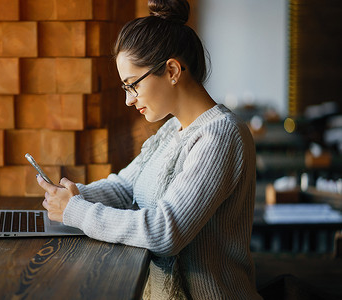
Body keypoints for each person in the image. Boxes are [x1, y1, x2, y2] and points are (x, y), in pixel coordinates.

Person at [37, 0, 262, 299]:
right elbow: (125, 188)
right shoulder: (172, 130)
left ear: (171, 70)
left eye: (133, 85)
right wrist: (73, 194)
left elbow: (165, 232)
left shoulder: (220, 136)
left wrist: (77, 211)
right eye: (125, 88)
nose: (129, 100)